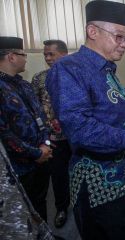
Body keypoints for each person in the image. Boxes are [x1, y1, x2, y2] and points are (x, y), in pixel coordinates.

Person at [45, 1, 125, 240]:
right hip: (100, 185)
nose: (124, 45)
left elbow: (110, 115)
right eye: (118, 37)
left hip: (124, 178)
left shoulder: (105, 68)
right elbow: (80, 129)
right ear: (92, 31)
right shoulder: (69, 68)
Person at [0, 36, 52, 222]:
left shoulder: (23, 84)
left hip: (43, 154)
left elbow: (41, 116)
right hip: (19, 165)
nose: (26, 58)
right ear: (11, 57)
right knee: (23, 210)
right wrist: (35, 153)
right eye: (23, 54)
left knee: (40, 201)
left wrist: (44, 145)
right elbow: (5, 134)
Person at [31, 40, 70, 228]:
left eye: (51, 54)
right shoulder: (39, 78)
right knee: (58, 175)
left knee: (83, 171)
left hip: (78, 135)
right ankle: (62, 208)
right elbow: (34, 109)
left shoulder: (76, 75)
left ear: (64, 54)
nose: (47, 58)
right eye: (45, 55)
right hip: (54, 139)